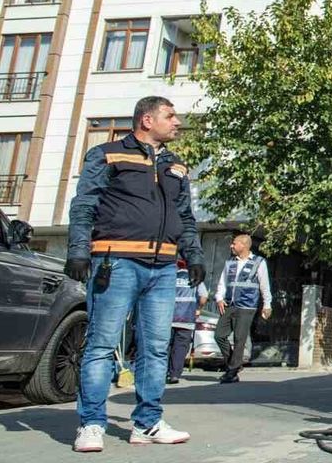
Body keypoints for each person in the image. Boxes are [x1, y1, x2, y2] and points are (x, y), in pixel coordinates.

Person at [64, 96, 204, 452]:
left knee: (156, 349)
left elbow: (185, 217)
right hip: (116, 264)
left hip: (163, 269)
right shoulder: (108, 154)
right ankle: (91, 424)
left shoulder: (177, 167)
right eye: (170, 116)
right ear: (146, 119)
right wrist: (79, 251)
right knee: (100, 345)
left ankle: (147, 423)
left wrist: (195, 256)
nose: (177, 123)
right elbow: (84, 205)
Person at [214, 233, 272, 383]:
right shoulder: (230, 263)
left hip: (247, 306)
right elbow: (222, 282)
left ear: (244, 245)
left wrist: (267, 305)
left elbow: (264, 286)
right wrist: (219, 298)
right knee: (219, 335)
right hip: (229, 305)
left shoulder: (259, 262)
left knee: (239, 339)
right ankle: (234, 363)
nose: (231, 246)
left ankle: (232, 372)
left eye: (234, 243)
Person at [168, 259, 208, 384]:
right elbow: (203, 297)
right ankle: (175, 374)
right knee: (180, 348)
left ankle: (162, 372)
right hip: (187, 318)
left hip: (169, 318)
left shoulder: (171, 276)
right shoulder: (195, 277)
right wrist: (199, 309)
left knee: (166, 347)